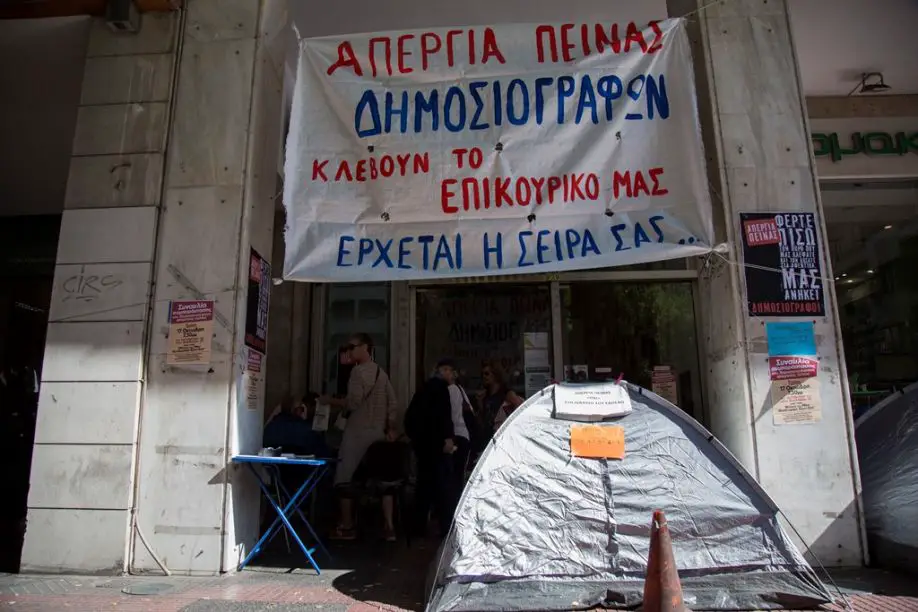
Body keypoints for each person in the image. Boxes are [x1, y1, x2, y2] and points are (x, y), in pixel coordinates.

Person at [320, 333, 398, 541]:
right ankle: (389, 526)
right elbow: (393, 403)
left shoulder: (357, 372)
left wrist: (330, 401)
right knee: (384, 480)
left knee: (344, 478)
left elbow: (353, 402)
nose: (349, 351)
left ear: (365, 347)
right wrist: (390, 427)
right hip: (378, 434)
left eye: (352, 347)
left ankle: (347, 526)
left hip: (357, 433)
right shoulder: (381, 373)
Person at [405, 358, 459, 539]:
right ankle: (446, 527)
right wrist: (447, 438)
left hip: (423, 445)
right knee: (443, 487)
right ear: (442, 371)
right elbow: (443, 416)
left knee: (424, 486)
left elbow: (410, 418)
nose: (451, 374)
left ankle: (418, 526)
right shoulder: (441, 389)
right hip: (437, 445)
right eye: (448, 370)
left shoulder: (423, 389)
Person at [474, 361, 523, 453]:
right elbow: (484, 419)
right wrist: (480, 403)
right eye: (482, 374)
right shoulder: (486, 396)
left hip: (502, 437)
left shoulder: (506, 393)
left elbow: (520, 407)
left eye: (487, 373)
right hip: (488, 437)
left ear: (495, 375)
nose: (484, 376)